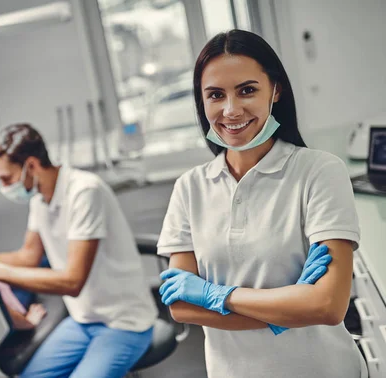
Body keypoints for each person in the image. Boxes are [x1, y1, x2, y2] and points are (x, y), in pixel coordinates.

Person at [156, 29, 367, 378]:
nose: (230, 109)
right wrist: (290, 307)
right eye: (215, 95)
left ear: (276, 90)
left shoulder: (319, 171)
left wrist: (215, 294)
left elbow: (328, 306)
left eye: (247, 90)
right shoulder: (189, 188)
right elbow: (181, 308)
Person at [0, 123, 158, 378]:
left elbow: (72, 281)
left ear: (32, 165)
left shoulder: (84, 192)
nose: (4, 187)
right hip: (84, 319)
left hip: (125, 322)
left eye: (7, 178)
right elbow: (28, 256)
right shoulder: (39, 199)